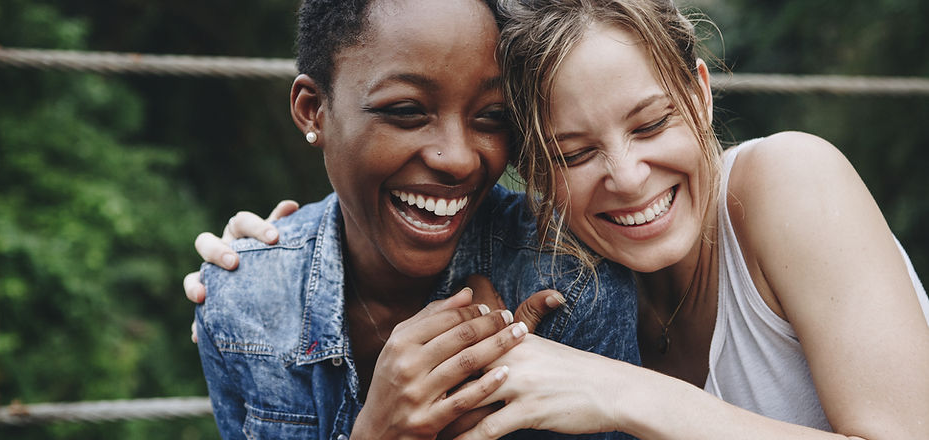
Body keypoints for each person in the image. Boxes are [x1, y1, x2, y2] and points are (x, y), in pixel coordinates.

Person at [443, 0, 929, 438]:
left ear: (699, 94)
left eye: (651, 124)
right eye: (574, 154)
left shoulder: (791, 180)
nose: (628, 178)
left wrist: (622, 393)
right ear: (534, 174)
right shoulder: (568, 289)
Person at [190, 0, 639, 439]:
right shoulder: (241, 306)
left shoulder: (573, 283)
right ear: (314, 110)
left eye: (492, 116)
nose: (458, 159)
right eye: (407, 111)